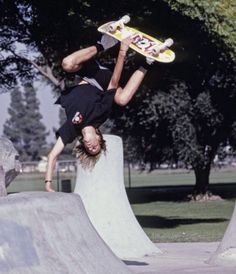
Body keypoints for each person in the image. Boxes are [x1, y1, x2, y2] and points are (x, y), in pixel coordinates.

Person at [45, 35, 153, 192]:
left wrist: (48, 184)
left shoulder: (71, 129)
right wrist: (122, 52)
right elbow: (113, 84)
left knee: (67, 64)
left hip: (84, 74)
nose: (91, 146)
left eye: (89, 149)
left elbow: (52, 155)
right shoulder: (100, 115)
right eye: (95, 147)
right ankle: (147, 63)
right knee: (121, 99)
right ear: (99, 137)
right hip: (102, 79)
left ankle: (102, 45)